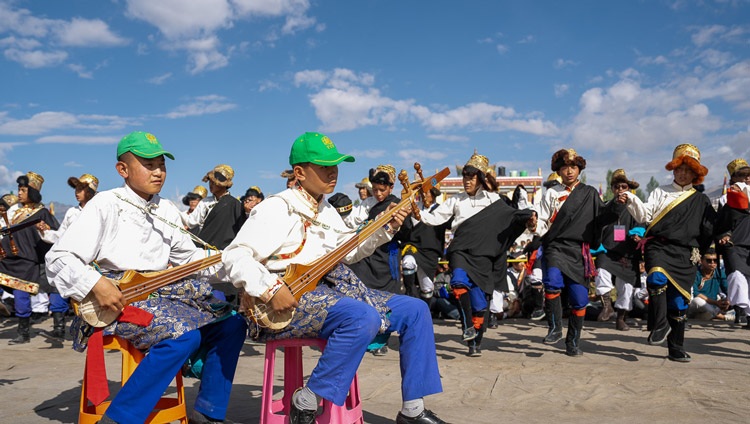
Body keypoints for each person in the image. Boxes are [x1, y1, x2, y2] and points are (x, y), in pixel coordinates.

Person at [223, 132, 446, 424]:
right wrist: (269, 288)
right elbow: (235, 256)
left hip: (332, 292)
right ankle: (308, 399)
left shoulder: (327, 210)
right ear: (300, 173)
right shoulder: (276, 207)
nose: (333, 172)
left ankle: (413, 409)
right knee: (361, 316)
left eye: (336, 165)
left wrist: (386, 227)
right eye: (324, 166)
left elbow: (348, 251)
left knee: (415, 310)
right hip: (285, 302)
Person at [46, 131, 246, 423]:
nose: (158, 172)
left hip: (162, 296)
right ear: (122, 170)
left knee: (232, 324)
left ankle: (208, 412)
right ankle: (120, 417)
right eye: (148, 164)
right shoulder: (105, 204)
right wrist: (96, 284)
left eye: (161, 165)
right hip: (117, 301)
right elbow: (59, 257)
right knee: (183, 333)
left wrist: (239, 262)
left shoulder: (165, 208)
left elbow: (189, 259)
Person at [420, 151, 534, 357]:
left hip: (484, 258)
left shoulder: (494, 200)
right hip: (460, 251)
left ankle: (475, 343)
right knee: (458, 282)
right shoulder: (455, 200)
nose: (467, 181)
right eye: (465, 177)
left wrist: (530, 219)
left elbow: (514, 216)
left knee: (480, 306)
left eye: (471, 177)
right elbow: (432, 218)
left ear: (480, 178)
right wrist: (413, 210)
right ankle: (466, 326)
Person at [617, 143, 716, 362]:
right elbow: (644, 216)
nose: (683, 173)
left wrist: (702, 248)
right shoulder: (660, 191)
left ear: (695, 174)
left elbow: (709, 229)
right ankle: (659, 324)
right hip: (659, 246)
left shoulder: (702, 200)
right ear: (673, 169)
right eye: (679, 168)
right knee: (656, 277)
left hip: (686, 253)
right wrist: (632, 199)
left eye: (688, 170)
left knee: (679, 303)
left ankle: (676, 348)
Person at [533, 149, 619, 356]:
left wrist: (616, 204)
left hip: (578, 249)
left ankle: (573, 341)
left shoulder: (589, 193)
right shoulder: (551, 193)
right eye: (564, 167)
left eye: (573, 167)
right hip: (555, 245)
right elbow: (543, 221)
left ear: (579, 169)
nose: (569, 171)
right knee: (552, 281)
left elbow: (603, 215)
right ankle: (554, 328)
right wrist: (534, 226)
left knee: (580, 299)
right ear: (559, 170)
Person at [35, 173, 99, 340]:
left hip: (96, 262)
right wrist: (45, 232)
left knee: (92, 300)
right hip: (72, 260)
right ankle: (59, 329)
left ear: (90, 191)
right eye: (76, 188)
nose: (76, 192)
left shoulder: (101, 210)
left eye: (81, 189)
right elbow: (61, 236)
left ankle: (93, 332)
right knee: (59, 293)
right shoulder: (71, 213)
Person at [2, 172, 59, 345]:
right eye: (18, 189)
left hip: (27, 260)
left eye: (23, 190)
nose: (19, 193)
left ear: (32, 192)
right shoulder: (14, 212)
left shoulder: (42, 212)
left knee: (21, 296)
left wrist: (45, 228)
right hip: (7, 258)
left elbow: (57, 234)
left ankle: (23, 332)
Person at [592, 170, 643, 331]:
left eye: (624, 186)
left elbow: (643, 221)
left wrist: (637, 234)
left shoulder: (636, 207)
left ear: (629, 188)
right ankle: (607, 306)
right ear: (612, 189)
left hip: (627, 252)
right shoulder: (606, 205)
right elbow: (597, 223)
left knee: (627, 287)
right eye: (616, 186)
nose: (620, 189)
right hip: (607, 250)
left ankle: (621, 317)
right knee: (600, 271)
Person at [688, 248, 729, 320]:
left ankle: (708, 316)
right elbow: (695, 293)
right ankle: (722, 316)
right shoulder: (695, 273)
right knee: (698, 301)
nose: (713, 263)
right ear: (701, 261)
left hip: (713, 304)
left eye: (715, 260)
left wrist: (728, 301)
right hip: (696, 304)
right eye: (709, 260)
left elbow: (727, 290)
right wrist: (715, 302)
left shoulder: (719, 273)